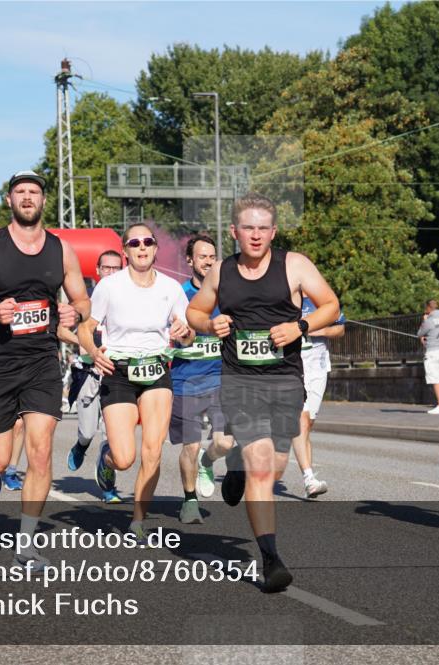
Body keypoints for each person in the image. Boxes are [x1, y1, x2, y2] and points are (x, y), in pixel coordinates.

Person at [187, 192, 339, 593]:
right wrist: (210, 324)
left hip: (286, 378)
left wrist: (300, 327)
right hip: (240, 380)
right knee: (261, 468)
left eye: (262, 228)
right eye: (247, 228)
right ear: (235, 232)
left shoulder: (295, 265)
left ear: (273, 232)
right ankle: (270, 559)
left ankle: (234, 461)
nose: (255, 235)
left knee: (274, 468)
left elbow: (331, 305)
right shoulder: (222, 272)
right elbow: (195, 312)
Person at [0, 170, 88, 571]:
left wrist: (74, 311)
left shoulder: (61, 250)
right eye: (20, 192)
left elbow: (82, 301)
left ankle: (26, 546)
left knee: (41, 450)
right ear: (10, 201)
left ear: (44, 201)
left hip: (40, 361)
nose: (27, 198)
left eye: (34, 192)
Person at [77, 222, 193, 536]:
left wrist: (185, 333)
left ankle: (138, 521)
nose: (142, 247)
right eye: (134, 243)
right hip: (119, 373)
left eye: (148, 242)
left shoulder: (170, 288)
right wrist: (93, 351)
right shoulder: (110, 286)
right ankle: (107, 459)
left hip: (157, 371)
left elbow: (188, 331)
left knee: (153, 451)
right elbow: (85, 328)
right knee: (126, 457)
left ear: (155, 248)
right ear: (126, 250)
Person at [171, 234, 232, 524]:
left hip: (220, 377)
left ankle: (209, 462)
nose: (208, 261)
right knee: (190, 446)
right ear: (189, 261)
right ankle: (189, 500)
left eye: (212, 256)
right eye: (202, 256)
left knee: (225, 443)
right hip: (187, 380)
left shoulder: (226, 293)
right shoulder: (178, 294)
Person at [64, 250, 123, 476]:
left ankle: (107, 480)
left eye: (116, 268)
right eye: (106, 268)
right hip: (89, 372)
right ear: (97, 270)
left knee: (112, 436)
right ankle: (81, 445)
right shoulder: (84, 300)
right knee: (88, 431)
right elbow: (61, 330)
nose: (110, 272)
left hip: (117, 374)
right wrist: (86, 344)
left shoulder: (129, 296)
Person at [291, 294, 345, 498]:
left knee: (308, 423)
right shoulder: (284, 297)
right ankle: (309, 478)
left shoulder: (322, 299)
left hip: (319, 369)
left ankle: (308, 474)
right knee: (302, 422)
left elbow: (340, 328)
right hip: (294, 368)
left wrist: (320, 329)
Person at [418, 298, 439, 414]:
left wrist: (424, 320)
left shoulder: (429, 320)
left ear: (428, 308)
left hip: (433, 352)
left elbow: (420, 333)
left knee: (435, 379)